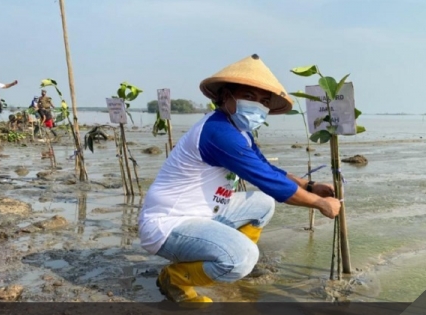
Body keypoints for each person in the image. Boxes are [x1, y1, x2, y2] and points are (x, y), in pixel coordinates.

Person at [138, 54, 341, 303]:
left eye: (264, 101)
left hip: (203, 212)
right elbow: (270, 181)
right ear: (225, 96)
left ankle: (225, 259)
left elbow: (265, 167)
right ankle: (176, 278)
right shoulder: (219, 133)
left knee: (262, 204)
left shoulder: (238, 130)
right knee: (240, 258)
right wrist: (319, 203)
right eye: (248, 97)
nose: (257, 105)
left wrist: (309, 185)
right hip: (169, 224)